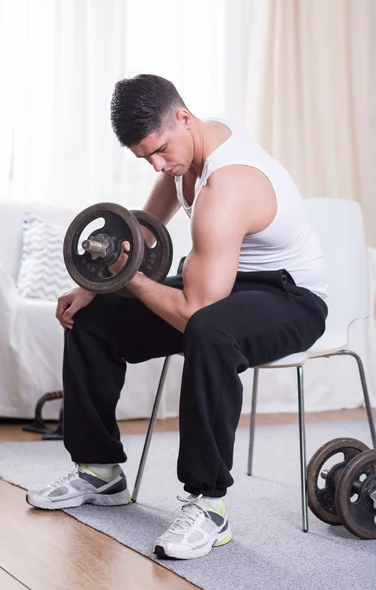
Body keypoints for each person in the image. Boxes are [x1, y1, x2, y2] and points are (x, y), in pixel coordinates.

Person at [26, 74, 328, 560]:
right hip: (218, 283)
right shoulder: (187, 151)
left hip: (290, 297)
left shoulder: (229, 183)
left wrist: (131, 281)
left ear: (184, 118)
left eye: (161, 150)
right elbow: (142, 231)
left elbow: (198, 312)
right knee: (93, 317)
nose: (158, 164)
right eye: (145, 157)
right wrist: (93, 285)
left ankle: (209, 506)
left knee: (210, 332)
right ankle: (99, 472)